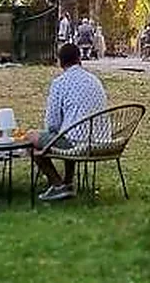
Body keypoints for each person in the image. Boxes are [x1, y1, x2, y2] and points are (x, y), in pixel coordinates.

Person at [31, 42, 109, 202]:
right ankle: (68, 181)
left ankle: (57, 184)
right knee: (69, 131)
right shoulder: (95, 80)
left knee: (30, 138)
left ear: (59, 61)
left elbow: (52, 124)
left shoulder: (60, 83)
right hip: (102, 139)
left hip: (78, 142)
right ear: (80, 59)